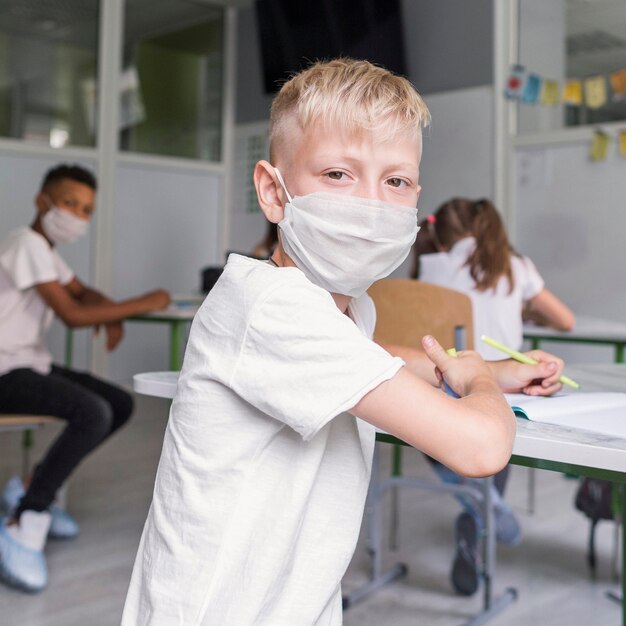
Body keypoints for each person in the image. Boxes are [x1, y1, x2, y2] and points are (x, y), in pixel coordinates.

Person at [122, 59, 565, 625]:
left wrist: (477, 368)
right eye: (338, 175)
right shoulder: (273, 307)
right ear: (274, 192)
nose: (370, 206)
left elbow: (375, 358)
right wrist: (477, 378)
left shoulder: (339, 306)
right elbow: (479, 449)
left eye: (395, 181)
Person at [0, 164, 171, 593]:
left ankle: (32, 485)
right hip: (4, 369)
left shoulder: (46, 252)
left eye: (87, 209)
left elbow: (81, 293)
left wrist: (109, 311)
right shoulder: (26, 244)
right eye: (69, 204)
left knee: (119, 403)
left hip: (26, 362)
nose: (77, 215)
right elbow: (74, 315)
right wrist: (139, 304)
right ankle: (26, 517)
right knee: (92, 412)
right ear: (43, 202)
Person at [412, 197, 575, 595]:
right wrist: (523, 311)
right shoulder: (514, 266)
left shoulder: (429, 266)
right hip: (501, 394)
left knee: (426, 410)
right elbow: (565, 320)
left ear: (438, 233)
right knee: (498, 435)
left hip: (434, 392)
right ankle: (482, 510)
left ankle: (475, 500)